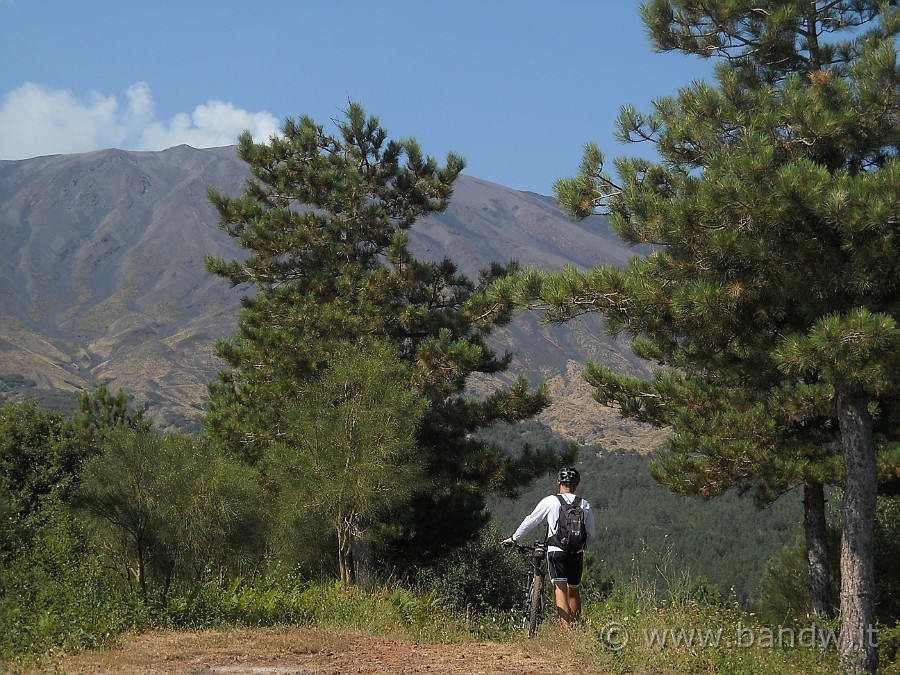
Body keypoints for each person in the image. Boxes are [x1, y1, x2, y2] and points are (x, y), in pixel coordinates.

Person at [502, 466, 596, 630]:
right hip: (576, 553)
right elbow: (592, 534)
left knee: (560, 591)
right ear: (576, 484)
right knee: (573, 592)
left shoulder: (551, 501)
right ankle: (576, 628)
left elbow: (531, 521)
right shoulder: (584, 504)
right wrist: (580, 545)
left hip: (556, 551)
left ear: (558, 482)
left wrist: (514, 539)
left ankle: (567, 634)